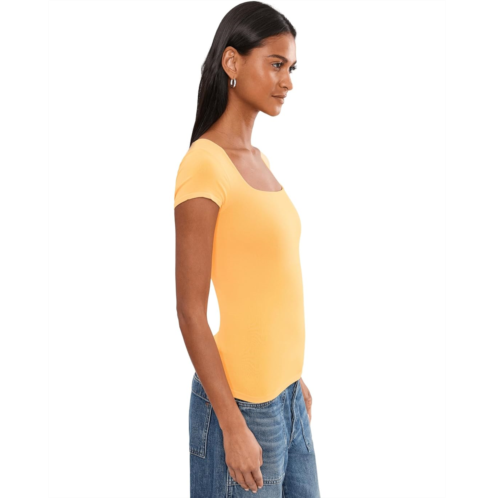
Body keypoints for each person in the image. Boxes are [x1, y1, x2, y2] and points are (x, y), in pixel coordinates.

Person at [174, 2, 321, 496]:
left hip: (287, 399)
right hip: (240, 406)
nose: (287, 81)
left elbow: (269, 284)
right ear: (232, 61)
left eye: (292, 67)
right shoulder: (204, 165)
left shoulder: (260, 159)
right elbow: (190, 312)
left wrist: (292, 380)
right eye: (276, 64)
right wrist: (232, 425)